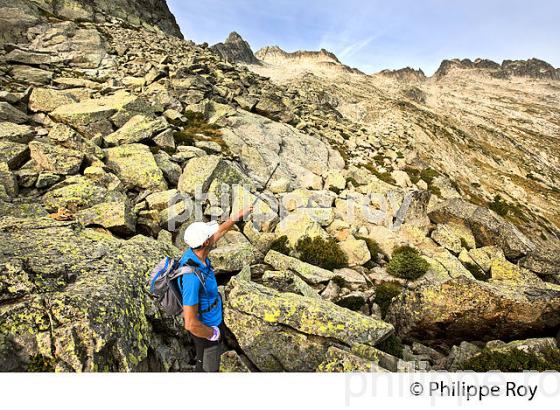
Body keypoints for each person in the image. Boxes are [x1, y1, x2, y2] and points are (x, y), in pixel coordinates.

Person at [179, 206, 253, 372]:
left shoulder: (195, 253)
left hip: (214, 319)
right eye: (209, 236)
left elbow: (219, 232)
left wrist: (237, 217)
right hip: (207, 331)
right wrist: (212, 334)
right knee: (207, 367)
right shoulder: (192, 278)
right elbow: (190, 323)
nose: (214, 235)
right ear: (206, 242)